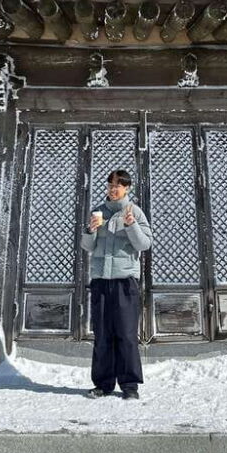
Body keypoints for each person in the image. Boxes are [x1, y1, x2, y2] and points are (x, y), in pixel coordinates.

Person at [81, 169, 152, 400]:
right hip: (101, 281)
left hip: (125, 282)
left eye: (118, 185)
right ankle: (103, 384)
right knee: (102, 334)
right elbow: (88, 246)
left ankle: (130, 386)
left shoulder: (135, 212)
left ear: (127, 188)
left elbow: (144, 244)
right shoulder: (98, 211)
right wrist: (90, 230)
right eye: (110, 185)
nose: (113, 189)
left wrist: (131, 225)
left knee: (126, 334)